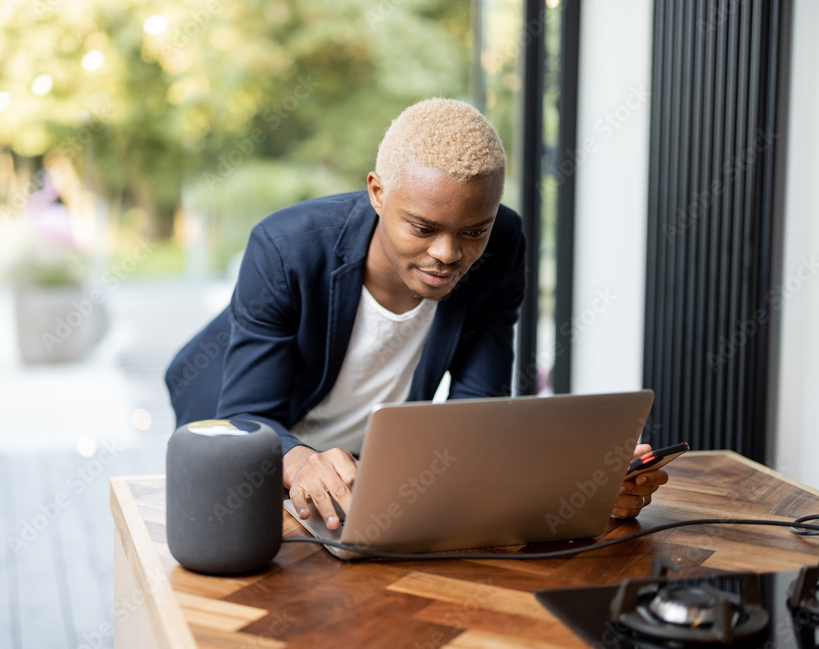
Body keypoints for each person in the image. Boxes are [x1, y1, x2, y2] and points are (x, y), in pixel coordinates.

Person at [166, 98, 667, 532]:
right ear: (378, 193)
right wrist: (299, 463)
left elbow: (477, 413)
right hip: (250, 450)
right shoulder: (285, 248)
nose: (448, 254)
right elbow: (247, 418)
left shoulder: (503, 244)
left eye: (474, 231)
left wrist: (578, 484)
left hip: (367, 475)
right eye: (423, 227)